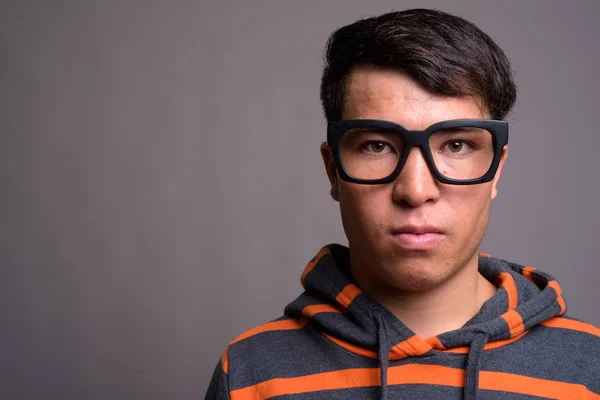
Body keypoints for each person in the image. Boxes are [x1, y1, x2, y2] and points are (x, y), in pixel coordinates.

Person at [205, 8, 600, 400]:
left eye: (456, 145)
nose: (414, 190)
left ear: (496, 169)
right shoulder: (249, 374)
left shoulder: (590, 368)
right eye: (376, 146)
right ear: (333, 172)